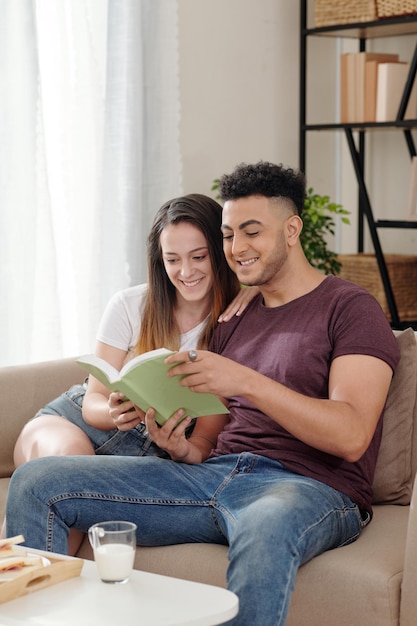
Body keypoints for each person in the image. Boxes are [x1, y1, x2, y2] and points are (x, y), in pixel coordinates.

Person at [6, 161, 400, 626]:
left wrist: (245, 380)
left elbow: (352, 434)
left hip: (307, 487)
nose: (237, 248)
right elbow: (206, 444)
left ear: (292, 229)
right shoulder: (234, 318)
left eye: (251, 232)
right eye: (229, 235)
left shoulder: (350, 307)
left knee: (266, 525)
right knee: (38, 482)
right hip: (213, 477)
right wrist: (180, 446)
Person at [13, 193, 255, 466]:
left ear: (221, 252)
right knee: (72, 460)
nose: (186, 272)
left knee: (89, 483)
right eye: (173, 260)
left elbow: (205, 441)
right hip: (72, 425)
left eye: (198, 256)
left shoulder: (235, 324)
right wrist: (114, 413)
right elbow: (92, 401)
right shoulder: (129, 305)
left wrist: (180, 450)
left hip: (148, 455)